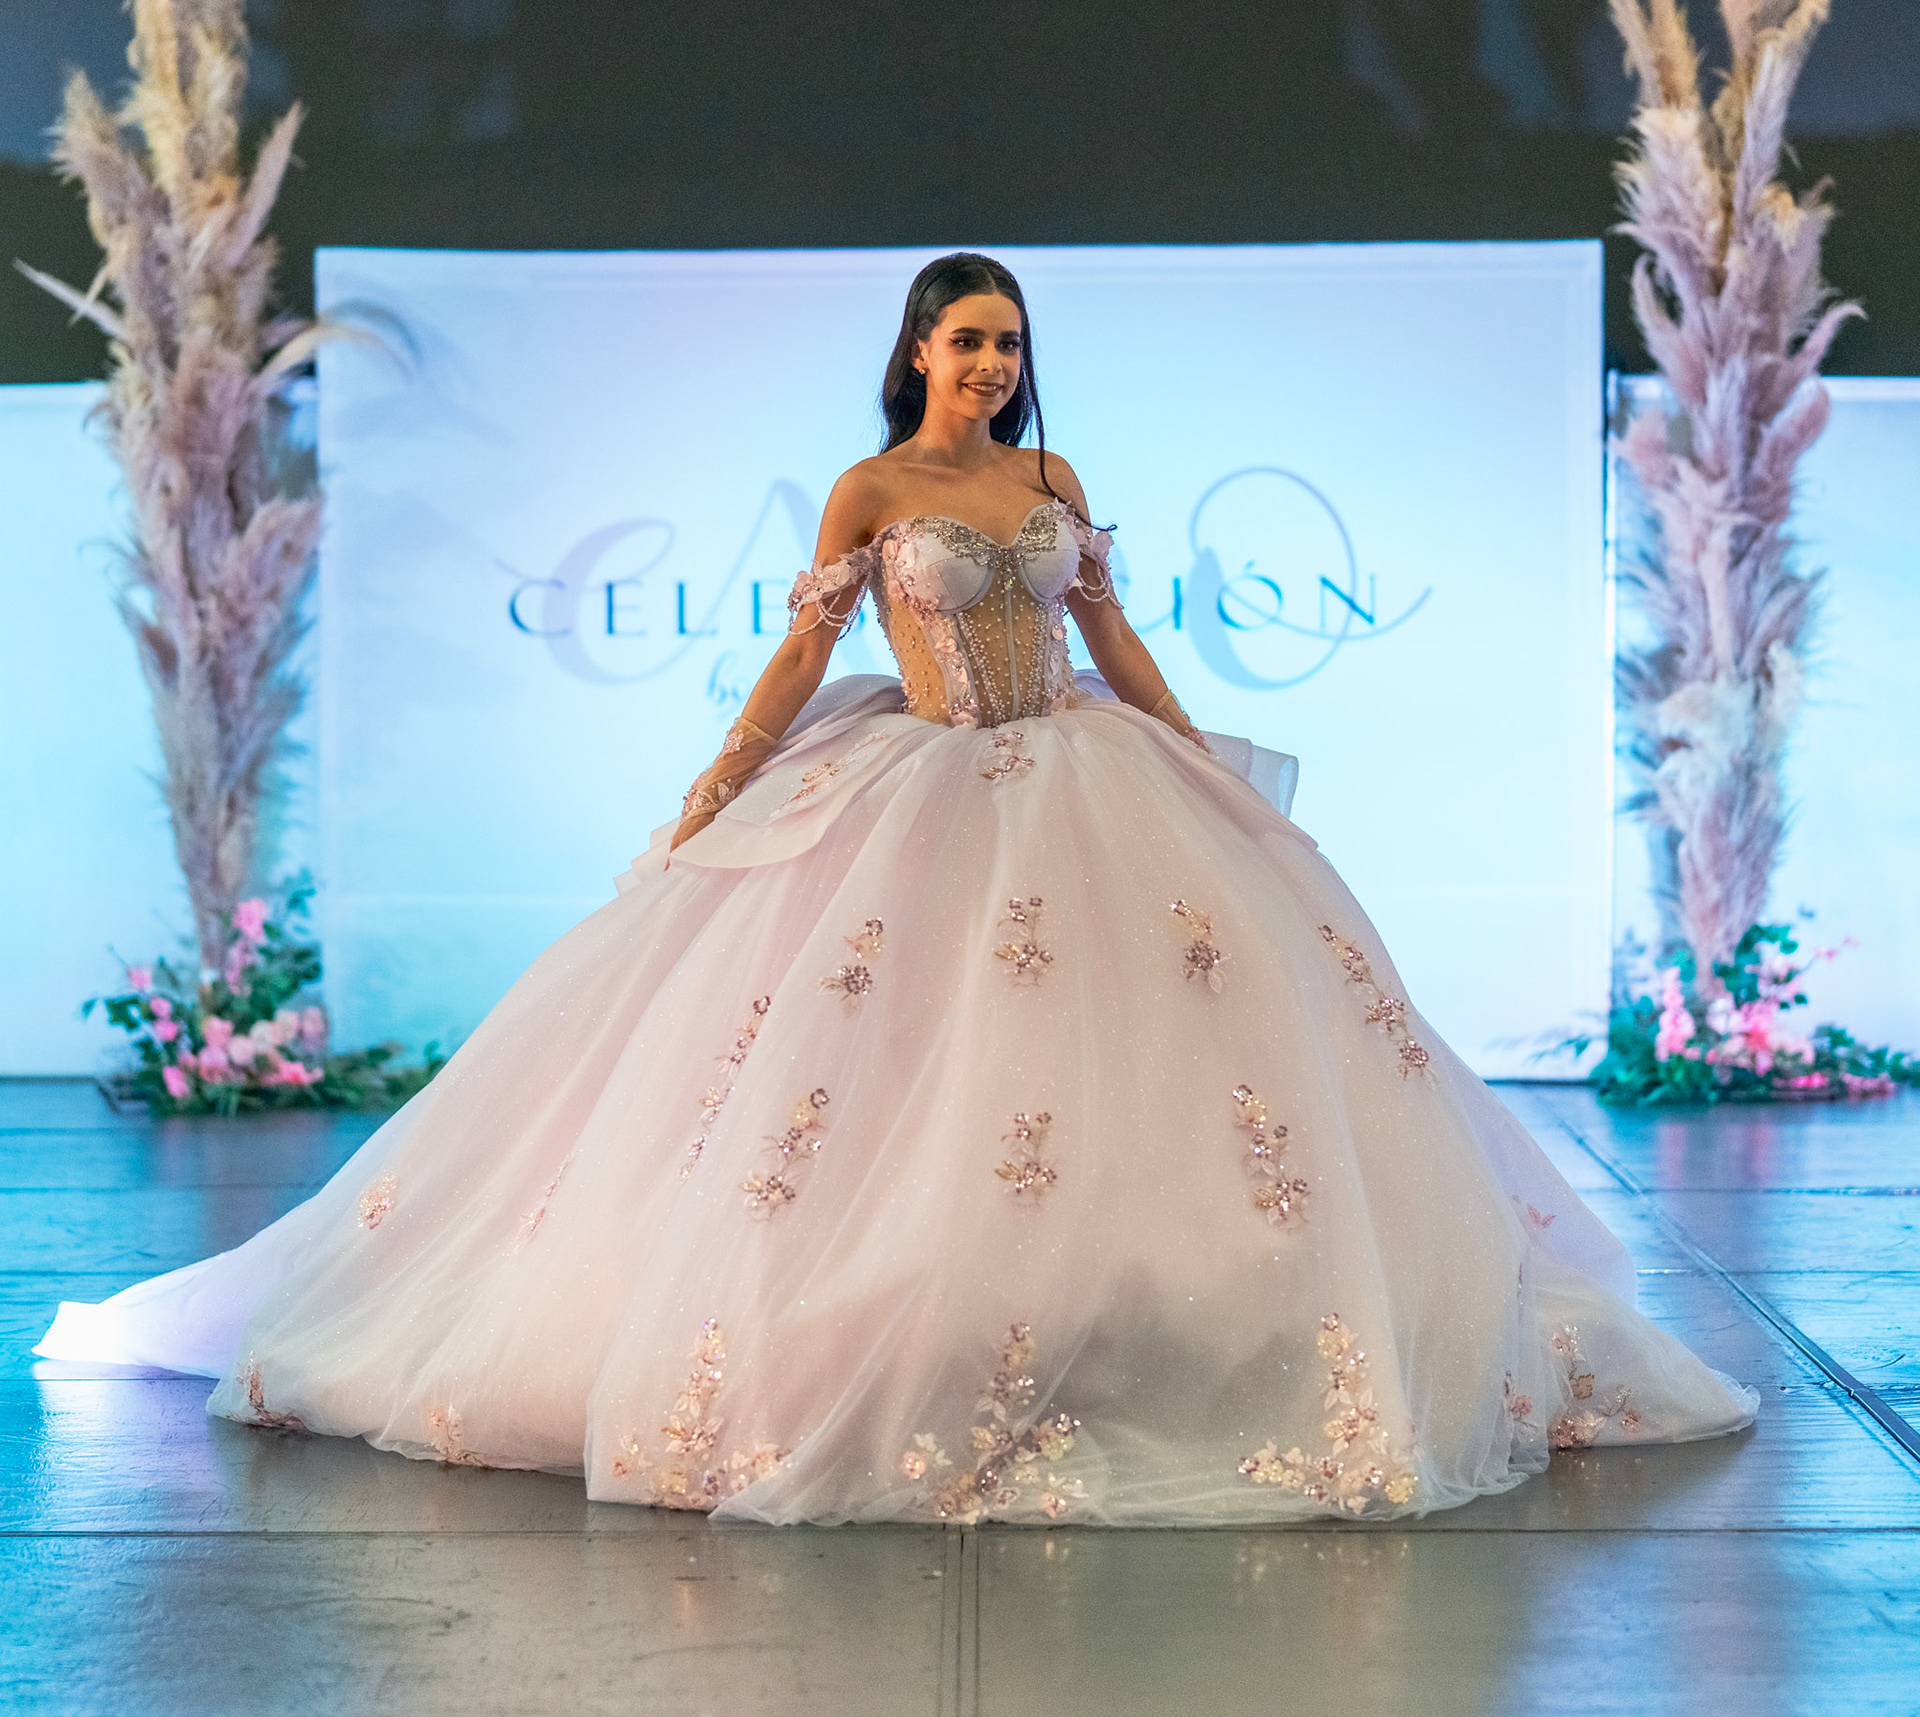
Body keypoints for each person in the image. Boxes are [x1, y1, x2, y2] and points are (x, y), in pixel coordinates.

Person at [37, 252, 1756, 1525]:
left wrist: (1196, 752)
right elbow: (802, 658)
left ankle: (1135, 1325)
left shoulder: (1051, 481)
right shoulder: (876, 490)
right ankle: (915, 1337)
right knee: (900, 1076)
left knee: (1153, 1067)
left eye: (1011, 343)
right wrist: (720, 778)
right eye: (968, 340)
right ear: (917, 350)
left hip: (1086, 770)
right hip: (921, 781)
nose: (993, 366)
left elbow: (1111, 635)